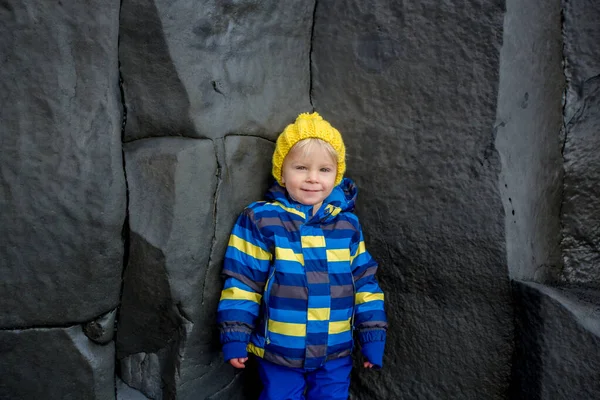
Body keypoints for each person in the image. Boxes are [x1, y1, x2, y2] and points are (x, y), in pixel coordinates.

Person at [217, 112, 387, 399]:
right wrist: (235, 334)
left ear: (337, 175)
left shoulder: (348, 225)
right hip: (280, 350)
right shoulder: (261, 219)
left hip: (336, 351)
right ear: (282, 172)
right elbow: (243, 282)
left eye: (324, 170)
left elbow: (365, 284)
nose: (312, 178)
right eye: (300, 167)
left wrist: (372, 335)